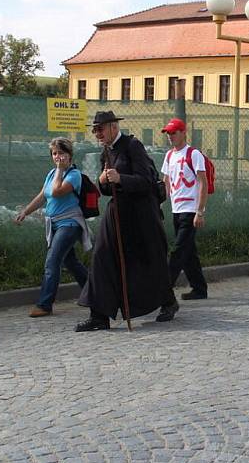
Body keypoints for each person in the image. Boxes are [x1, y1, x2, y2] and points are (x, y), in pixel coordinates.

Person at [75, 111, 177, 331]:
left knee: (150, 259)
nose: (97, 134)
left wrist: (121, 178)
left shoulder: (133, 146)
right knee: (101, 256)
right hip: (117, 212)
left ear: (113, 127)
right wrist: (101, 181)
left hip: (141, 214)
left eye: (100, 129)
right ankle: (99, 315)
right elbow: (106, 188)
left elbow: (147, 181)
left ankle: (168, 302)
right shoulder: (106, 152)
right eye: (95, 130)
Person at [15, 137, 91, 318]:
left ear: (69, 155)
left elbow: (56, 191)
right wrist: (26, 211)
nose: (57, 157)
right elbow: (43, 195)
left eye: (61, 153)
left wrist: (60, 169)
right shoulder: (51, 174)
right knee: (70, 262)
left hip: (70, 223)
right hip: (55, 223)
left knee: (52, 262)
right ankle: (94, 292)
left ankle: (44, 305)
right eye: (55, 153)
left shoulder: (74, 175)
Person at [160, 118, 209, 301]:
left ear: (183, 133)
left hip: (190, 210)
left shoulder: (193, 154)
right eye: (168, 133)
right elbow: (166, 183)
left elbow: (202, 182)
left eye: (174, 133)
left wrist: (200, 211)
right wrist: (160, 204)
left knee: (178, 251)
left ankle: (163, 290)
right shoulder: (169, 156)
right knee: (188, 252)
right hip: (176, 210)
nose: (170, 137)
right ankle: (199, 289)